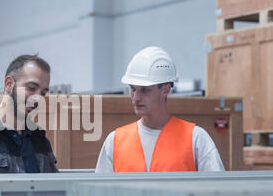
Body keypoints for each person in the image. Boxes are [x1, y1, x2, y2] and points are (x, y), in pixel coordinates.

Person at [95, 46, 224, 173]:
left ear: (166, 90)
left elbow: (218, 190)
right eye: (133, 89)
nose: (136, 97)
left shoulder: (196, 139)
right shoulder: (114, 141)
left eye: (145, 90)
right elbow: (99, 192)